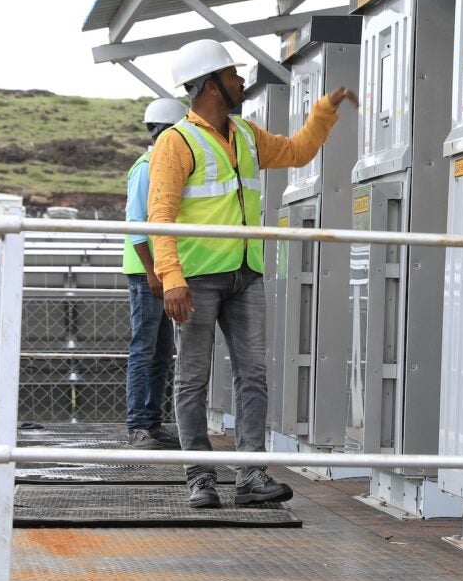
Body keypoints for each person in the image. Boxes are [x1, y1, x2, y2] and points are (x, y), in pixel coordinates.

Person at [149, 39, 357, 509]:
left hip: (247, 273)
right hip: (198, 278)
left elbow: (297, 152)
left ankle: (250, 476)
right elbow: (158, 214)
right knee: (193, 379)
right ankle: (200, 478)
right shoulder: (176, 141)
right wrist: (172, 277)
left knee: (254, 375)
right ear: (211, 85)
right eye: (233, 75)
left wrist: (324, 110)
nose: (242, 81)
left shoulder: (244, 135)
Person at [123, 97, 188, 450]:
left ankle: (152, 421)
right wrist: (151, 270)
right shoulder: (147, 167)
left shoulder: (157, 164)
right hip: (147, 273)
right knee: (145, 348)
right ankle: (137, 425)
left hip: (160, 271)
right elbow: (135, 224)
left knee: (161, 350)